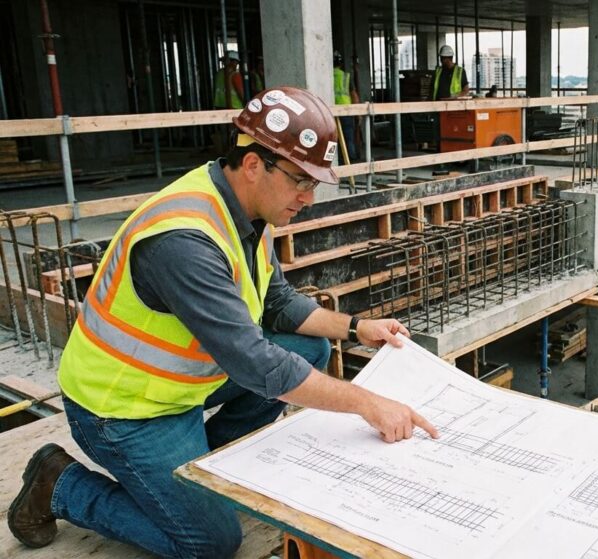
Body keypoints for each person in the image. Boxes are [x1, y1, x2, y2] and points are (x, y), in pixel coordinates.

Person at [7, 86, 439, 558]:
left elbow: (277, 302)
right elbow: (256, 363)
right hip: (123, 408)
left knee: (310, 349)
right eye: (301, 180)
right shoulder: (184, 240)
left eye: (315, 184)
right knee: (211, 543)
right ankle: (61, 484)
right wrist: (367, 403)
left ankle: (199, 471)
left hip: (180, 386)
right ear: (253, 164)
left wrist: (356, 328)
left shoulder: (247, 210)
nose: (308, 197)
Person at [333, 51, 360, 162]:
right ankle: (350, 161)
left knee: (332, 138)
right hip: (346, 111)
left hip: (329, 110)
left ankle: (336, 161)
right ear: (341, 63)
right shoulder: (345, 76)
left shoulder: (325, 75)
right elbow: (354, 95)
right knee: (348, 137)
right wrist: (358, 113)